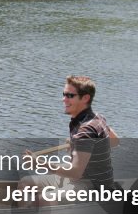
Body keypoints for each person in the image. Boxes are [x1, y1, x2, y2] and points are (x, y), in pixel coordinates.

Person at [20, 75, 119, 205]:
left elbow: (76, 173)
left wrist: (40, 164)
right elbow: (114, 141)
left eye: (70, 96)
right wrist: (79, 148)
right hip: (81, 179)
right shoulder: (97, 117)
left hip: (92, 187)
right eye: (64, 94)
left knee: (43, 199)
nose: (64, 99)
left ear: (85, 98)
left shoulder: (85, 130)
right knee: (25, 183)